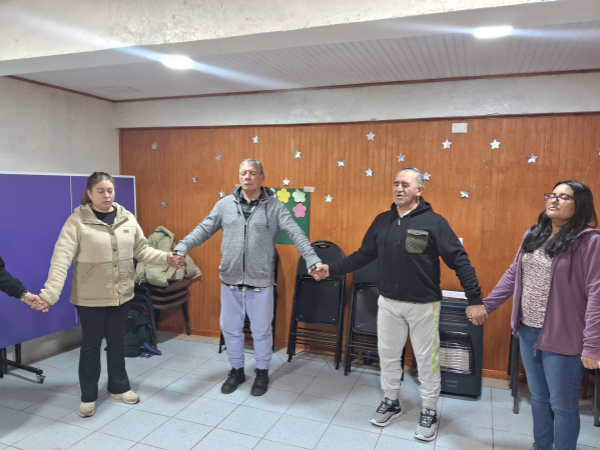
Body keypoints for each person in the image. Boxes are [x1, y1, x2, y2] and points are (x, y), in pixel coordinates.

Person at [313, 166, 482, 441]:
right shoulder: (383, 220)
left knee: (427, 361)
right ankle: (391, 401)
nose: (399, 189)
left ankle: (429, 410)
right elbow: (363, 255)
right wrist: (331, 268)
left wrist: (474, 298)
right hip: (389, 303)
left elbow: (459, 260)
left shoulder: (435, 223)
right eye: (396, 184)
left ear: (419, 190)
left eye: (405, 184)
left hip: (423, 305)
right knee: (389, 356)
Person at [33, 172, 181, 418]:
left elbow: (142, 250)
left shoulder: (126, 218)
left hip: (121, 295)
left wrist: (166, 258)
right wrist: (49, 295)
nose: (106, 195)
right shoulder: (77, 221)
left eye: (110, 190)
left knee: (116, 342)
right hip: (89, 298)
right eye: (100, 191)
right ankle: (88, 396)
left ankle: (119, 388)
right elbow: (61, 260)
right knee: (91, 345)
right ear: (89, 193)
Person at [467, 180, 600, 450]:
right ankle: (541, 446)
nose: (554, 200)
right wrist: (488, 305)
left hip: (564, 336)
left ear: (580, 205)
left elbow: (597, 294)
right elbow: (514, 273)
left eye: (564, 197)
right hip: (528, 330)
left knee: (562, 405)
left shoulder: (590, 241)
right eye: (552, 195)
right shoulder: (534, 233)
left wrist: (593, 345)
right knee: (539, 397)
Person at [172, 158, 322, 396]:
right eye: (243, 173)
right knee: (231, 329)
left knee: (261, 331)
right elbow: (204, 229)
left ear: (262, 177)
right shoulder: (224, 205)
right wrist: (181, 247)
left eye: (252, 173)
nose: (247, 177)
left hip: (260, 282)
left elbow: (296, 234)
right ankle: (236, 370)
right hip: (230, 279)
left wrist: (313, 260)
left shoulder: (275, 207)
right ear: (239, 177)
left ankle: (262, 372)